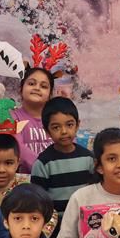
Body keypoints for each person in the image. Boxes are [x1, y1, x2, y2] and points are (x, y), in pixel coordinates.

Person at [31, 97, 94, 228]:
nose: (64, 131)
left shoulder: (89, 159)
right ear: (47, 131)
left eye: (69, 125)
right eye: (56, 127)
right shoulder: (43, 163)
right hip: (55, 226)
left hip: (86, 222)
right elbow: (38, 201)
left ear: (77, 125)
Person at [13, 68, 56, 173]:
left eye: (43, 86)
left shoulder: (56, 119)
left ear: (50, 95)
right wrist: (44, 169)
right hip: (24, 183)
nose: (37, 88)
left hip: (57, 178)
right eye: (31, 84)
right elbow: (18, 148)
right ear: (20, 89)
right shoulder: (12, 117)